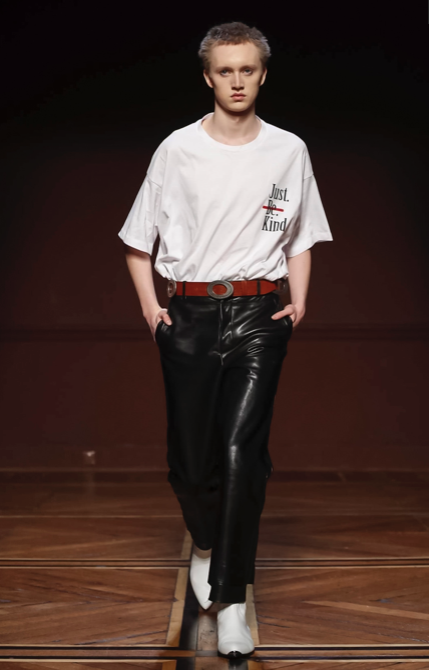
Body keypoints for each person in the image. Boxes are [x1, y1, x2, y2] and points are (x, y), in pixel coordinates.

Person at [118, 21, 333, 657]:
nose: (236, 81)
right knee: (190, 466)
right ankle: (207, 545)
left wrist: (298, 302)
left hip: (258, 317)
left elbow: (300, 235)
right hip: (186, 316)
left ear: (262, 75)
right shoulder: (178, 149)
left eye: (247, 69)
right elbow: (137, 241)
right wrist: (152, 311)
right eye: (224, 70)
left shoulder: (288, 150)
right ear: (208, 78)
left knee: (242, 452)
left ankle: (232, 597)